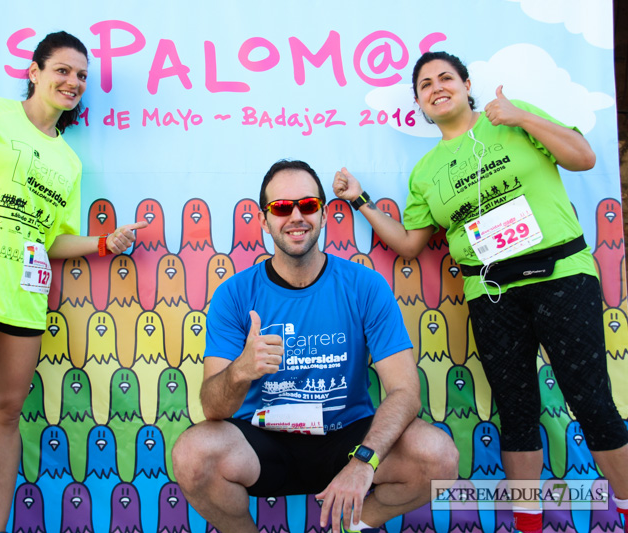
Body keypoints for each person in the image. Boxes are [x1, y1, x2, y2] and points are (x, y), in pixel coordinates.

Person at [333, 51, 628, 533]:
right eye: (425, 85)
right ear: (420, 103)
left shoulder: (512, 122)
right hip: (491, 294)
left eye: (445, 77)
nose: (436, 87)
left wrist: (520, 116)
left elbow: (584, 157)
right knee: (515, 411)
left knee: (592, 403)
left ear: (466, 84)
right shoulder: (426, 171)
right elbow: (410, 244)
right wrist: (361, 201)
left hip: (560, 276)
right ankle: (529, 525)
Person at [0, 31, 146, 533]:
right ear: (34, 72)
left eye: (81, 75)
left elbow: (51, 240)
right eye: (62, 70)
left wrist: (103, 244)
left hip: (24, 296)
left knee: (6, 413)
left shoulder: (69, 161)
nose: (73, 81)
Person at [172, 160, 458, 533]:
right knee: (192, 454)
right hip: (263, 444)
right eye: (281, 208)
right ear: (264, 220)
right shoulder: (234, 294)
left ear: (323, 215)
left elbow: (405, 392)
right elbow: (212, 407)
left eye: (307, 206)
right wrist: (242, 369)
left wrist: (364, 463)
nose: (296, 216)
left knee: (438, 456)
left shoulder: (364, 286)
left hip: (347, 439)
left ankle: (353, 528)